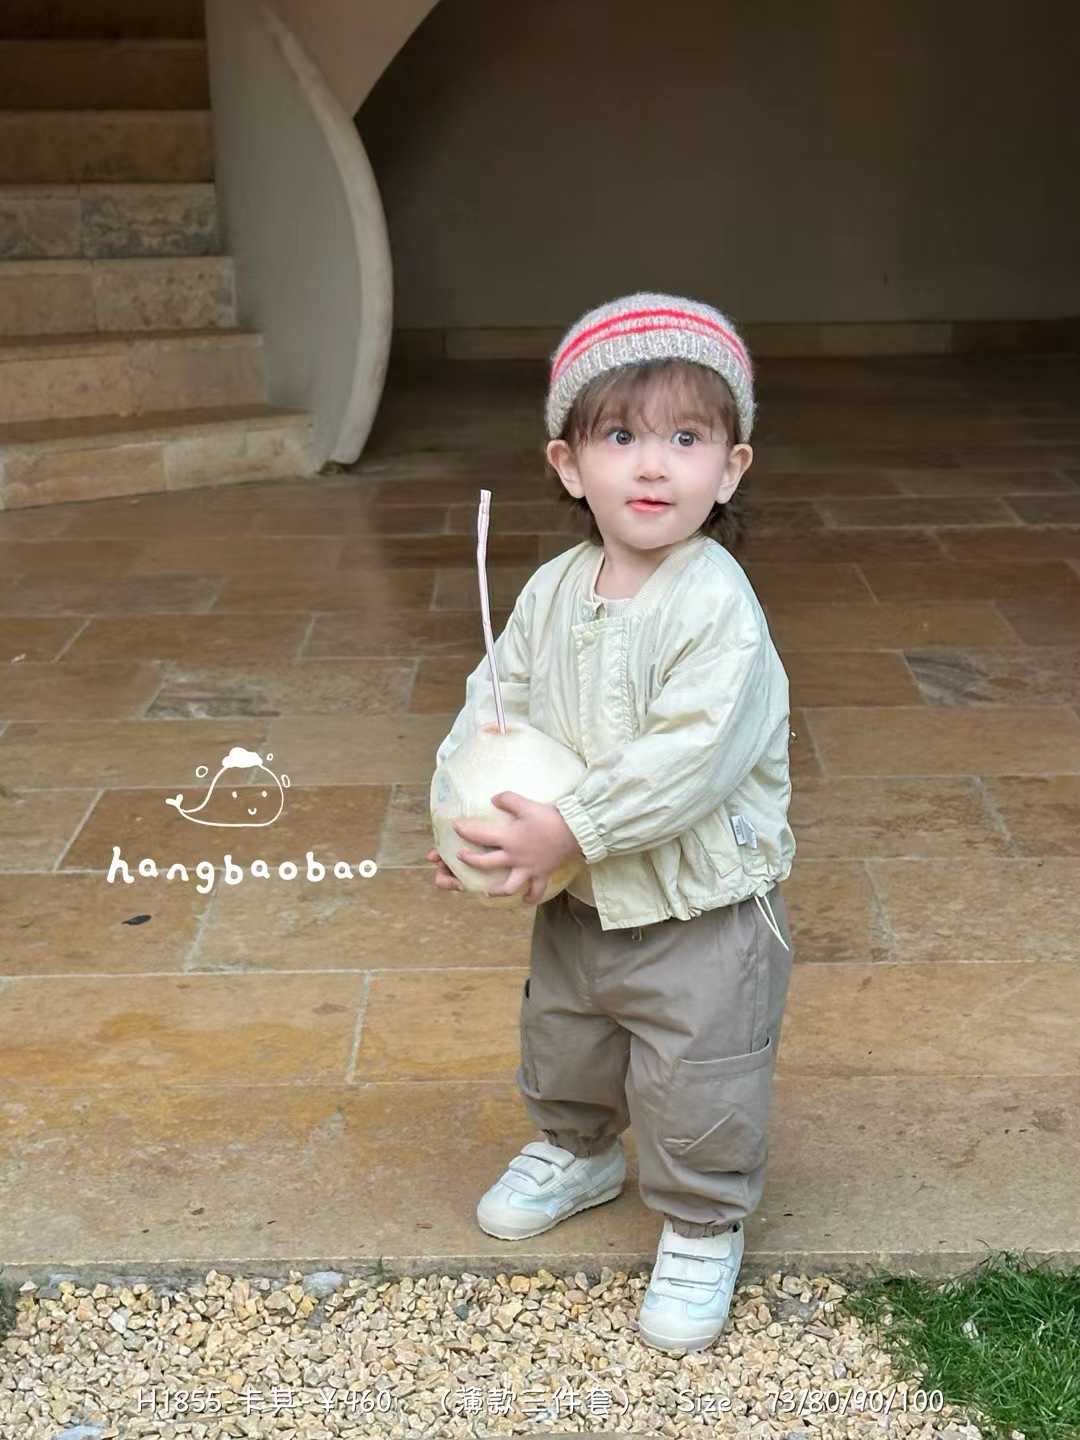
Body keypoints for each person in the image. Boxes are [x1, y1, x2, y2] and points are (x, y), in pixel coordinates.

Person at [427, 292, 796, 1355]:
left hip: (701, 908)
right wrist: (469, 823)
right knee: (566, 1038)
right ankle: (579, 1149)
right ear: (568, 464)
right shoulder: (550, 591)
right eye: (621, 436)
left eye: (687, 439)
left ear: (730, 468)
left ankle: (703, 1218)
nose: (653, 466)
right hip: (583, 898)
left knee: (699, 1072)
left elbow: (690, 757)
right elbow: (495, 706)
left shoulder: (716, 604)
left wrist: (571, 825)